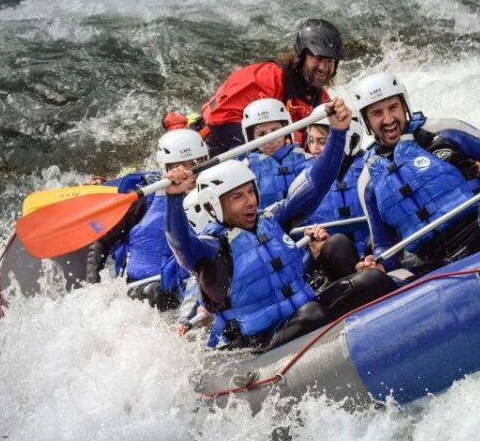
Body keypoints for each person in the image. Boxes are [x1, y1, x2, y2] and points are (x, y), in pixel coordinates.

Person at [163, 99, 396, 349]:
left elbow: (318, 184)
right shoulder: (210, 250)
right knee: (313, 314)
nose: (250, 202)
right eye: (237, 197)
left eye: (250, 192)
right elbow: (180, 244)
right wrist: (174, 198)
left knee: (371, 280)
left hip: (306, 312)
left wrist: (338, 132)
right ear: (213, 206)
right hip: (263, 341)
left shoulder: (273, 219)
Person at [352, 72, 480, 273]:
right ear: (366, 121)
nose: (388, 119)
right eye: (377, 113)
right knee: (369, 278)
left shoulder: (443, 132)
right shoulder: (368, 181)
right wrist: (377, 262)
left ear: (404, 105)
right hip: (433, 265)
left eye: (393, 107)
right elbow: (384, 247)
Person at [199, 18, 343, 155]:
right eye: (318, 59)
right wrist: (259, 156)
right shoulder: (267, 78)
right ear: (301, 55)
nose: (323, 68)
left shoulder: (321, 99)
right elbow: (219, 119)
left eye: (330, 61)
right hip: (214, 144)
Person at [124, 128, 210, 310]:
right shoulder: (143, 202)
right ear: (166, 169)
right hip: (151, 289)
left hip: (193, 280)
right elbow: (103, 242)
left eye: (195, 163)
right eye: (179, 167)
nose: (188, 173)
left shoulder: (221, 190)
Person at [302, 117, 370, 258]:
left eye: (322, 142)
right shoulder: (304, 181)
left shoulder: (371, 168)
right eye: (310, 140)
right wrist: (316, 244)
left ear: (349, 141)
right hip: (334, 260)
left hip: (374, 253)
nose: (314, 149)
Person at [240, 98, 310, 209]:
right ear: (251, 137)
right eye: (261, 134)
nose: (270, 139)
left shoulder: (305, 159)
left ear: (286, 130)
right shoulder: (245, 169)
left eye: (275, 130)